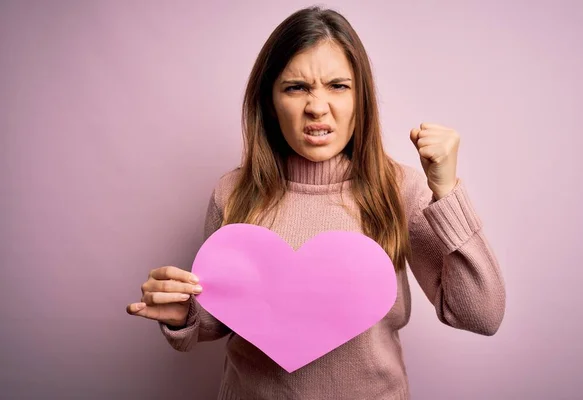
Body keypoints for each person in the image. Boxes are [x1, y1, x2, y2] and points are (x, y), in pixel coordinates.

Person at [126, 6, 506, 399]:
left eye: (338, 86)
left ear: (361, 99)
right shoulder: (233, 192)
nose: (317, 106)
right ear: (270, 101)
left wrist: (447, 192)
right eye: (296, 87)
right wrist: (183, 314)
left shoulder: (400, 190)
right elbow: (221, 318)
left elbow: (481, 315)